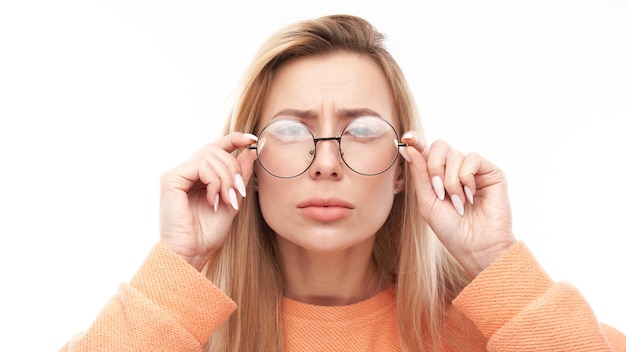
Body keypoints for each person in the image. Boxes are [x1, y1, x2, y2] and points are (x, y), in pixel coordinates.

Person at [61, 14, 626, 351]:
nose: (325, 163)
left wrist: (496, 263)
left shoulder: (498, 329)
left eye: (359, 129)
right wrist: (177, 266)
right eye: (290, 129)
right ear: (247, 166)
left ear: (407, 166)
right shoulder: (182, 331)